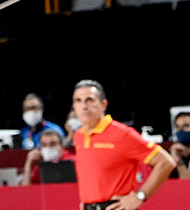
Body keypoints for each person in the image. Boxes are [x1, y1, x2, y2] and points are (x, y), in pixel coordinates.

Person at [69, 80, 175, 210]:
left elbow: (166, 162)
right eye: (78, 101)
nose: (84, 106)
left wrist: (140, 197)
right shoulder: (79, 136)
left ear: (104, 104)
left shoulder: (123, 134)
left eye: (89, 100)